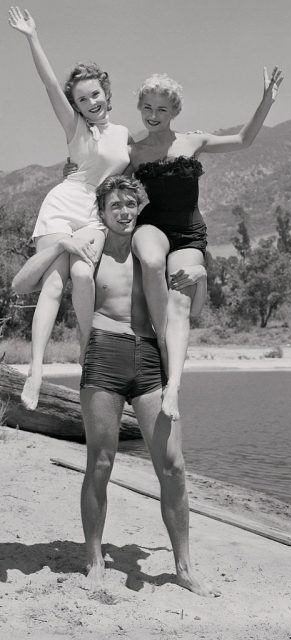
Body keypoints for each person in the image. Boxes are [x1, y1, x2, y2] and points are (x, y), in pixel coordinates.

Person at [13, 175, 217, 597]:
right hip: (103, 356)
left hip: (148, 359)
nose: (124, 212)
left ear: (138, 207)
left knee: (174, 468)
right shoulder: (89, 252)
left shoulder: (152, 255)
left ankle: (183, 566)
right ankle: (93, 560)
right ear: (102, 213)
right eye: (115, 206)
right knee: (100, 465)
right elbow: (22, 284)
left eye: (130, 205)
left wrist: (202, 275)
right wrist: (61, 244)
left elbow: (193, 310)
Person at [129, 68, 283, 422]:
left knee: (182, 307)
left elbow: (244, 140)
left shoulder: (193, 142)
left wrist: (265, 102)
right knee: (152, 261)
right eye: (147, 108)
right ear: (140, 107)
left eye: (162, 110)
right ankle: (162, 340)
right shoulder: (133, 153)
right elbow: (105, 180)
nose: (153, 115)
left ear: (175, 112)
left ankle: (174, 388)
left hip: (188, 235)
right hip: (152, 226)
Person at [8, 6, 131, 410]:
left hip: (93, 216)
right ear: (75, 105)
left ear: (106, 93)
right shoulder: (74, 128)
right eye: (81, 98)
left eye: (95, 94)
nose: (90, 101)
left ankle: (85, 352)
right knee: (54, 284)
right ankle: (37, 371)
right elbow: (47, 84)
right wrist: (32, 37)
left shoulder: (125, 134)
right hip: (61, 207)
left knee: (81, 274)